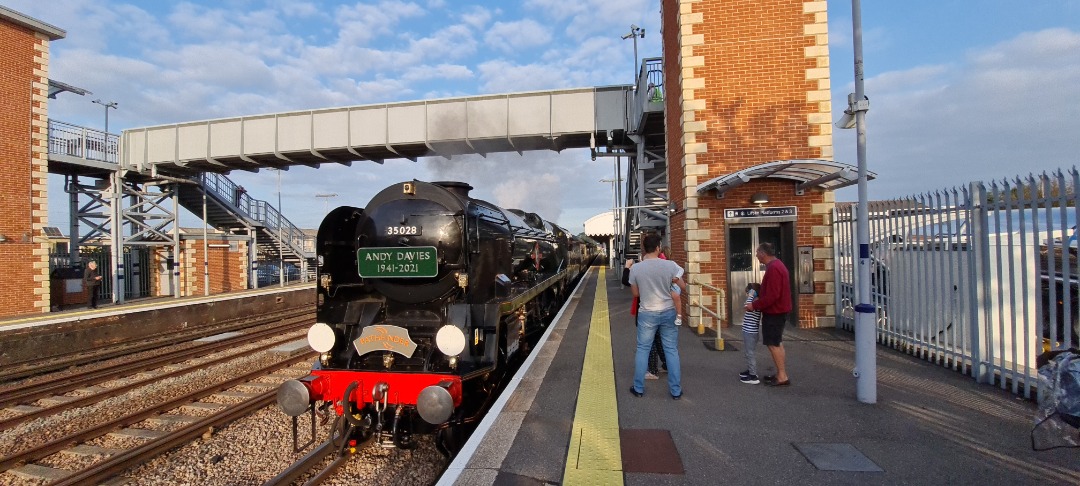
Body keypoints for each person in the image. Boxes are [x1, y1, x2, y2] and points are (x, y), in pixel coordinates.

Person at [628, 233, 685, 399]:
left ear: (645, 249)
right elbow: (683, 286)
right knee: (671, 350)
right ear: (659, 247)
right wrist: (672, 282)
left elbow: (636, 293)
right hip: (668, 312)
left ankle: (638, 388)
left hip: (647, 313)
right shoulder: (670, 265)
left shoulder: (636, 268)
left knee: (643, 350)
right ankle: (675, 391)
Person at [745, 242, 792, 387]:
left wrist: (754, 305)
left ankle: (782, 376)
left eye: (757, 253)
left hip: (775, 312)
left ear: (763, 253)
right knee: (777, 342)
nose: (756, 256)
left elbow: (773, 296)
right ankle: (780, 373)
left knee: (773, 344)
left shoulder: (774, 269)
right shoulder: (777, 266)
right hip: (779, 310)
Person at [739, 282, 763, 384]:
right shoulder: (754, 301)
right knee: (748, 353)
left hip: (751, 332)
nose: (747, 294)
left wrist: (751, 295)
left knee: (750, 353)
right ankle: (750, 370)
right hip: (748, 331)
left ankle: (753, 376)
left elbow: (746, 306)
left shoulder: (755, 302)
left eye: (748, 292)